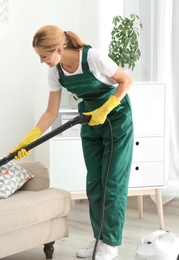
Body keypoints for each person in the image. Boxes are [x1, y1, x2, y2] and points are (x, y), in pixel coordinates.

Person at [10, 25, 134, 260]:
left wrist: (107, 108)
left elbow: (126, 81)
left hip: (116, 121)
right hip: (88, 121)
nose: (42, 61)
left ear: (58, 49)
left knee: (113, 182)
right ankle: (100, 240)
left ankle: (111, 243)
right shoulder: (55, 72)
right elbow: (50, 112)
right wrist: (27, 140)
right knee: (95, 183)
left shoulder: (94, 58)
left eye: (43, 56)